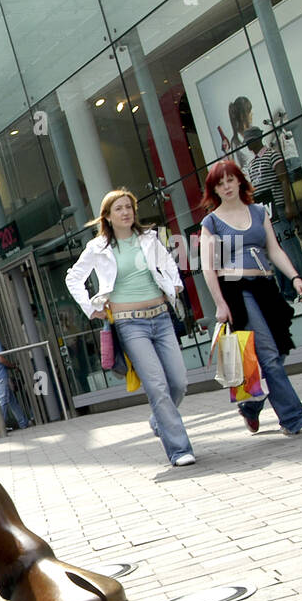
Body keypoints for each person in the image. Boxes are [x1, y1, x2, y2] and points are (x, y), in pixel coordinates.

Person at [65, 188, 195, 467]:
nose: (126, 212)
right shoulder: (98, 248)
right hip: (129, 324)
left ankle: (159, 418)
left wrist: (175, 284)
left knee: (178, 382)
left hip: (161, 317)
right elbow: (73, 278)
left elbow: (169, 265)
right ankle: (179, 449)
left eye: (129, 207)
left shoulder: (149, 238)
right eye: (119, 209)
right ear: (108, 217)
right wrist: (91, 307)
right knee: (157, 386)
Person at [199, 158, 302, 438]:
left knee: (277, 351)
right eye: (220, 183)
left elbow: (274, 249)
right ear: (214, 190)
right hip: (237, 290)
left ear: (239, 180)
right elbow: (209, 266)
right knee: (268, 353)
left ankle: (250, 406)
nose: (226, 186)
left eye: (230, 180)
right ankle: (293, 418)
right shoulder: (212, 222)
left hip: (266, 286)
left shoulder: (258, 212)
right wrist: (220, 303)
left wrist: (295, 277)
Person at [243, 126, 302, 300]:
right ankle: (288, 291)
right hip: (266, 213)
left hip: (278, 207)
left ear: (258, 139)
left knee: (289, 247)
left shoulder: (273, 155)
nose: (248, 145)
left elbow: (284, 180)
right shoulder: (252, 164)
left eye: (250, 141)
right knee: (274, 251)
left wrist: (288, 206)